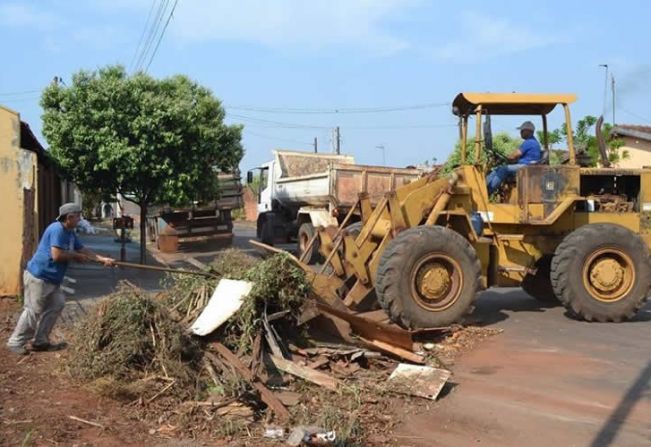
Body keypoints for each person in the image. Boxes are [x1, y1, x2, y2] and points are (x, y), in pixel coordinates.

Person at [6, 203, 115, 355]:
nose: (79, 219)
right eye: (78, 216)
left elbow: (81, 249)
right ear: (69, 217)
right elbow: (56, 256)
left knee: (57, 304)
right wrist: (76, 256)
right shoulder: (57, 229)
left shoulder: (69, 232)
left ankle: (40, 341)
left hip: (52, 279)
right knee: (33, 310)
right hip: (39, 276)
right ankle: (15, 342)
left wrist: (101, 259)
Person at [486, 121, 542, 195]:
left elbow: (514, 155)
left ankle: (487, 191)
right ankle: (484, 186)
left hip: (526, 167)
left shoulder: (530, 142)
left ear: (529, 131)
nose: (520, 132)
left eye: (522, 131)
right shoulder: (532, 142)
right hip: (527, 166)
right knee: (498, 169)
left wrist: (508, 157)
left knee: (504, 169)